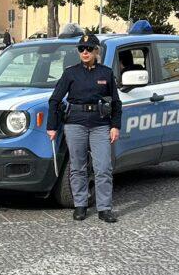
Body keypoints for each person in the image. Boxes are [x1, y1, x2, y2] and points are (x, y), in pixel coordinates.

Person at [47, 30, 122, 224]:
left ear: (96, 51)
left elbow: (116, 103)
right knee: (78, 167)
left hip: (99, 124)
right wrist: (52, 127)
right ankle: (80, 205)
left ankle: (104, 208)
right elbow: (54, 100)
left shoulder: (105, 73)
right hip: (75, 124)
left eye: (89, 49)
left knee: (103, 167)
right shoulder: (71, 73)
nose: (85, 52)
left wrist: (115, 126)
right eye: (82, 49)